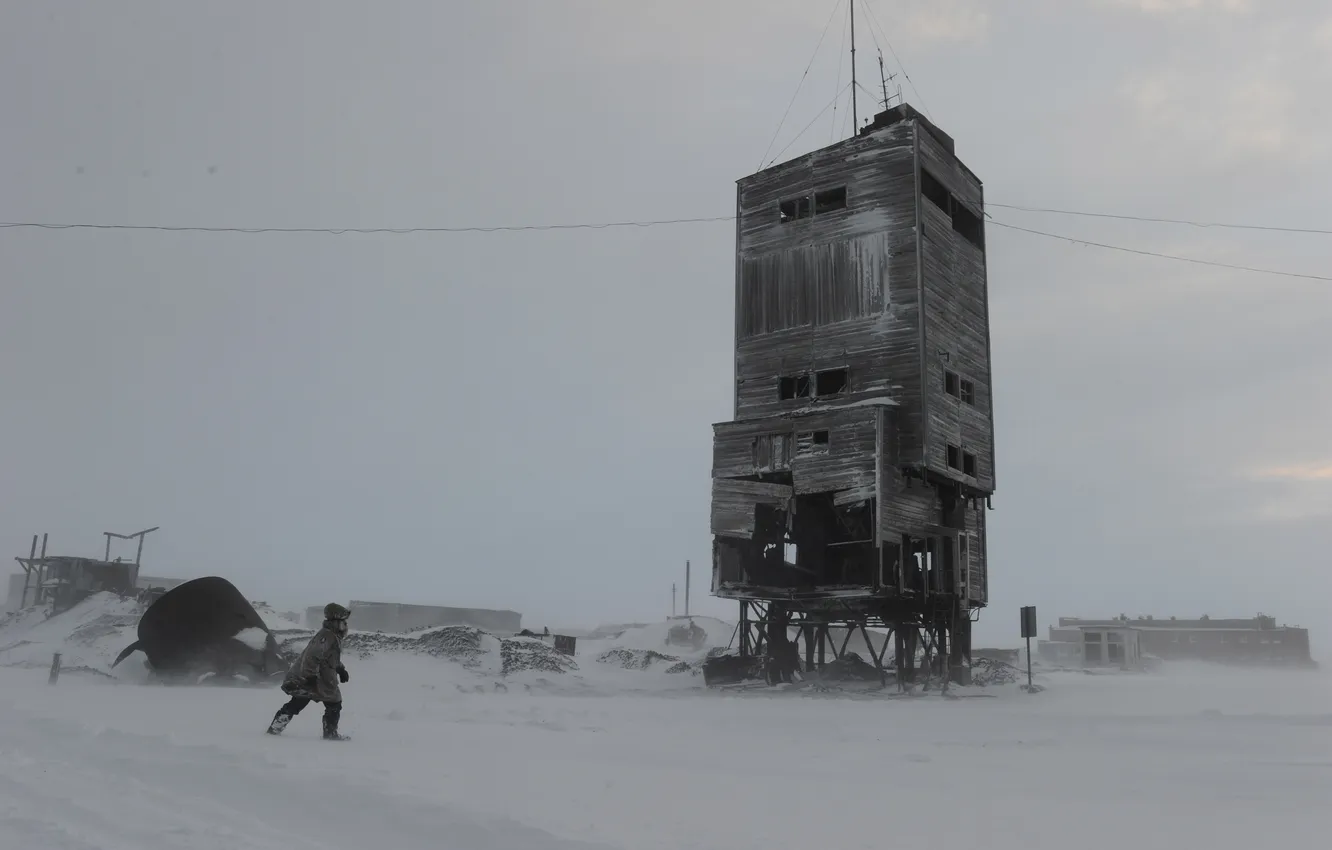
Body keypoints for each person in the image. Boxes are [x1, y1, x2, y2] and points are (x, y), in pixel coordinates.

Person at [266, 602, 351, 740]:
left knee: (305, 702)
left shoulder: (332, 635)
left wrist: (341, 669)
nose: (345, 625)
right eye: (343, 621)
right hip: (311, 677)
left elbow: (330, 657)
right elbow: (312, 656)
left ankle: (275, 729)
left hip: (320, 678)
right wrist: (310, 676)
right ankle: (330, 734)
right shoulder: (327, 635)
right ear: (336, 621)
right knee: (325, 703)